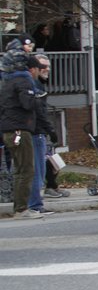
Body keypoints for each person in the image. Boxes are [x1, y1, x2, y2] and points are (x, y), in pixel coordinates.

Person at [1, 54, 43, 219]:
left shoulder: (7, 83)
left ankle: (19, 206)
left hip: (8, 130)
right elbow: (27, 103)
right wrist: (37, 98)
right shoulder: (24, 82)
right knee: (26, 169)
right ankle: (21, 209)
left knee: (18, 170)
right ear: (30, 69)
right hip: (20, 129)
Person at [27, 54, 59, 216]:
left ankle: (36, 201)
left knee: (40, 168)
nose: (46, 69)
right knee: (37, 171)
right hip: (35, 132)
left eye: (47, 66)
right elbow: (39, 112)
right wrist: (50, 130)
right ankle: (35, 204)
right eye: (42, 67)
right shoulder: (33, 86)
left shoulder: (39, 84)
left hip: (37, 132)